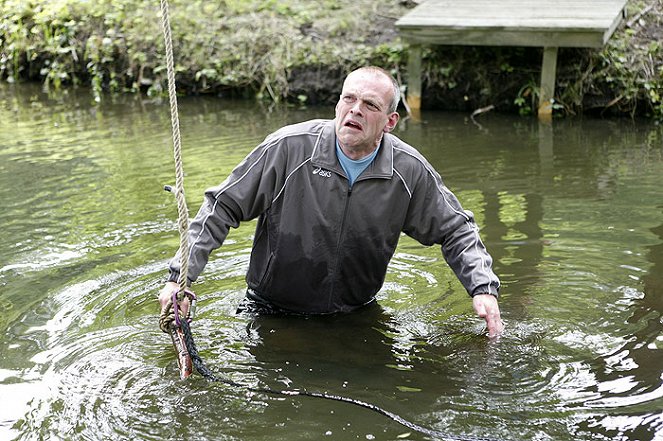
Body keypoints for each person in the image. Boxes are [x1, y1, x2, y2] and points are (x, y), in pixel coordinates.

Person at [159, 66, 503, 337]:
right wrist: (180, 278)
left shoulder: (408, 172)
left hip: (356, 315)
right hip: (271, 310)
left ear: (390, 122)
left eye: (370, 105)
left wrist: (482, 289)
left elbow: (457, 229)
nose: (355, 110)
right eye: (348, 99)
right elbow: (221, 206)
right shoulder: (288, 149)